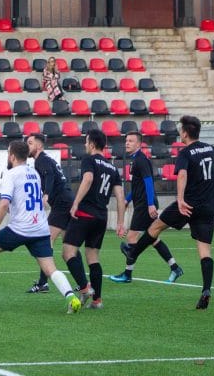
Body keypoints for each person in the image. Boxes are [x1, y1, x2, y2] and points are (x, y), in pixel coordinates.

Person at [0, 141, 81, 313]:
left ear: (11, 156)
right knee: (50, 268)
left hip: (20, 228)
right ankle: (71, 297)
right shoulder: (34, 173)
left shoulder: (11, 174)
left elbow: (4, 204)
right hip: (40, 227)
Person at [123, 116, 214, 309]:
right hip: (209, 206)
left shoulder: (186, 153)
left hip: (188, 204)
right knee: (204, 252)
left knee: (155, 226)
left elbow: (183, 174)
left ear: (185, 133)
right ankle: (206, 290)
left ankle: (132, 254)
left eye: (180, 130)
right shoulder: (211, 149)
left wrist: (179, 199)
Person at [61, 129, 126, 310]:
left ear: (91, 144)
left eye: (86, 141)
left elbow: (88, 179)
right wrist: (121, 222)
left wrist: (76, 203)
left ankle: (84, 288)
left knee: (68, 252)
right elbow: (120, 196)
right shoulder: (113, 168)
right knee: (93, 257)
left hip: (85, 213)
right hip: (101, 217)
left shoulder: (89, 160)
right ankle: (97, 300)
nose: (84, 144)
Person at [110, 132, 183, 284]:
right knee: (153, 238)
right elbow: (138, 186)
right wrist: (127, 199)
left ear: (139, 144)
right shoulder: (136, 160)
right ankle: (175, 268)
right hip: (142, 203)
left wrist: (150, 204)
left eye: (131, 141)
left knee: (131, 237)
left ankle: (127, 275)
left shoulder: (141, 160)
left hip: (145, 205)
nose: (127, 143)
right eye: (126, 141)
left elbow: (149, 182)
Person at [23, 133, 75, 294]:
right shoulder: (46, 159)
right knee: (69, 246)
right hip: (67, 201)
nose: (27, 146)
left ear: (39, 146)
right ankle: (83, 283)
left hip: (61, 203)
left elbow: (50, 176)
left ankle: (43, 283)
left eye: (30, 143)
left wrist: (46, 194)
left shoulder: (42, 160)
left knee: (47, 240)